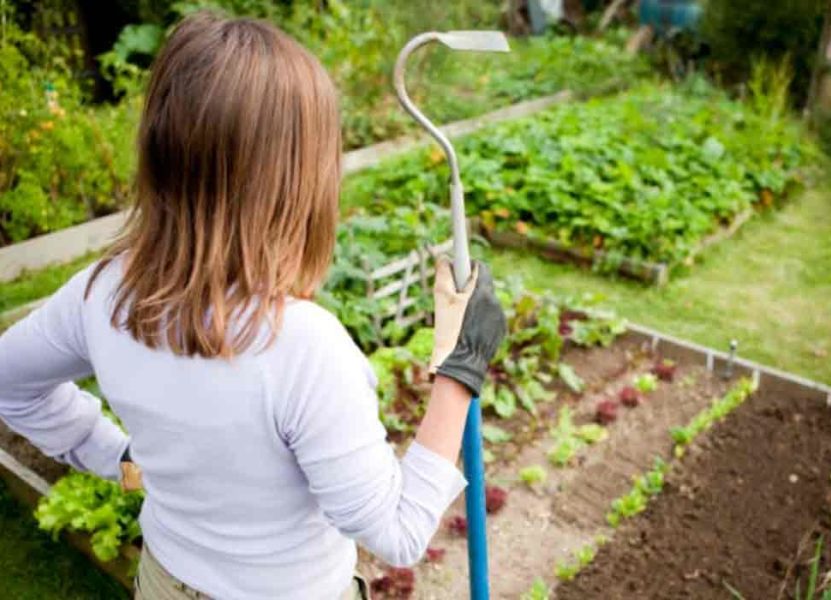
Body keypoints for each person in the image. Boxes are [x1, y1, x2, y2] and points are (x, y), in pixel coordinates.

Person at [0, 13, 506, 600]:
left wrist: (118, 456)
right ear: (294, 179)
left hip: (165, 584)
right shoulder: (302, 347)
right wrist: (461, 371)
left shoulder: (104, 292)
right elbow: (396, 532)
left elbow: (9, 380)